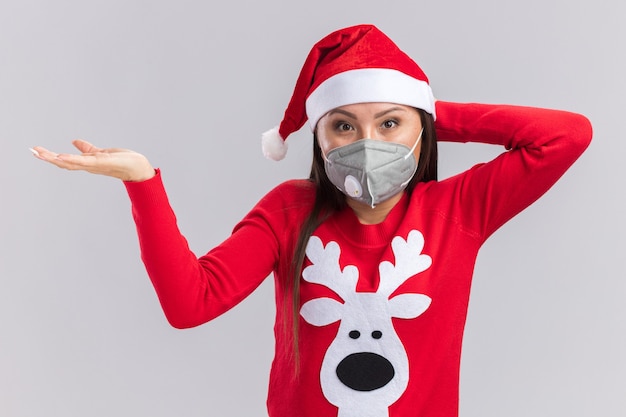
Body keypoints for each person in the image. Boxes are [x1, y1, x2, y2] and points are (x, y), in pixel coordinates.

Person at [31, 24, 592, 417]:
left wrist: (424, 108)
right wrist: (143, 184)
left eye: (390, 125)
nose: (367, 142)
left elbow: (567, 135)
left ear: (422, 132)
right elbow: (190, 303)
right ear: (319, 138)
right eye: (343, 125)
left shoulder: (459, 209)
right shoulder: (289, 210)